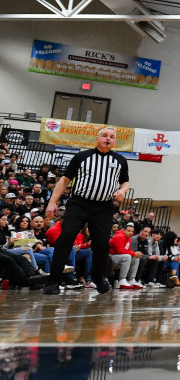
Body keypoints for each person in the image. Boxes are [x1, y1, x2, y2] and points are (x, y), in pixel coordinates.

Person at [42, 126, 128, 295]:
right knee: (65, 238)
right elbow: (65, 181)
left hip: (104, 207)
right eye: (104, 135)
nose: (108, 138)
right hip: (79, 204)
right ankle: (53, 281)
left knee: (102, 245)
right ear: (97, 139)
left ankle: (98, 277)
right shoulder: (82, 157)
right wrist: (53, 202)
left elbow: (125, 182)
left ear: (114, 141)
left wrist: (122, 191)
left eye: (111, 136)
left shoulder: (120, 160)